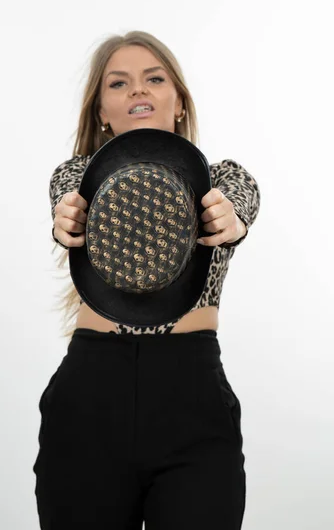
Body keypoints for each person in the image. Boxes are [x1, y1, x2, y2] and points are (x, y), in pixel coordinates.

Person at [33, 30, 261, 530]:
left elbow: (240, 206)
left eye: (153, 79)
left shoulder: (223, 180)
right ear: (101, 111)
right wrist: (67, 219)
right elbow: (67, 202)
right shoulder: (77, 177)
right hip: (90, 396)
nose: (138, 91)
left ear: (177, 100)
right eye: (119, 84)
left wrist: (230, 221)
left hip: (192, 396)